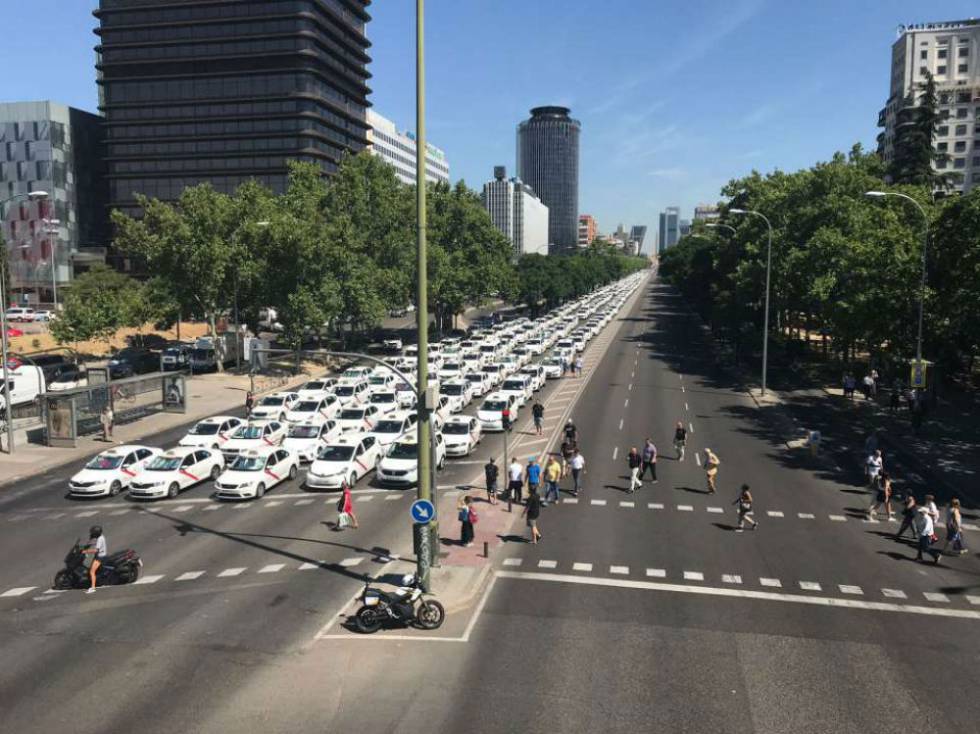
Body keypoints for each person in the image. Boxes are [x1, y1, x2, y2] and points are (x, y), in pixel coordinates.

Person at [81, 525, 107, 594]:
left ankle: (93, 588)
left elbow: (96, 550)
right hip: (100, 556)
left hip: (100, 557)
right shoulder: (101, 537)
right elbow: (93, 541)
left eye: (93, 533)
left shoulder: (100, 539)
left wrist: (85, 551)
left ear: (96, 533)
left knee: (92, 572)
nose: (92, 534)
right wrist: (87, 544)